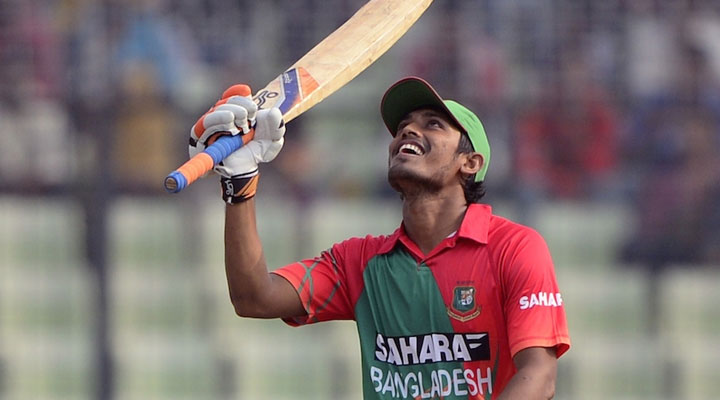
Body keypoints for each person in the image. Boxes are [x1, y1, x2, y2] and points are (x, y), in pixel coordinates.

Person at [188, 77, 571, 399]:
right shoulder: (359, 261)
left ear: (469, 163)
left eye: (433, 124)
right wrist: (240, 184)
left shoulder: (514, 247)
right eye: (404, 125)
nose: (408, 130)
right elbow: (253, 297)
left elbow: (540, 377)